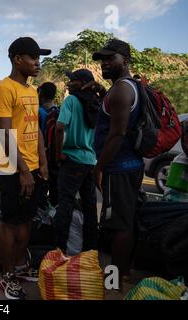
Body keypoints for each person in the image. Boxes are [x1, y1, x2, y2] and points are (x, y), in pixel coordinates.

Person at [0, 37, 50, 300]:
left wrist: (43, 162)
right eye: (33, 57)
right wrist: (24, 170)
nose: (38, 63)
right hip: (11, 167)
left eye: (39, 58)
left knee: (26, 219)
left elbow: (34, 127)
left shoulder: (32, 91)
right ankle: (7, 276)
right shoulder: (4, 89)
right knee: (9, 222)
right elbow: (3, 133)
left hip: (33, 166)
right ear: (18, 59)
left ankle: (19, 267)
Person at [91, 39, 144, 287]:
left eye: (111, 58)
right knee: (125, 220)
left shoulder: (122, 89)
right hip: (128, 165)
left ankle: (114, 280)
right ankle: (122, 272)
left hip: (118, 167)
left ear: (126, 60)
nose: (105, 63)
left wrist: (99, 167)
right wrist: (103, 94)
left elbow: (117, 134)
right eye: (103, 58)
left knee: (117, 225)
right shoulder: (125, 87)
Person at [53, 69, 99, 255]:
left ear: (81, 83)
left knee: (65, 203)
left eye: (72, 80)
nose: (69, 83)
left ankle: (60, 250)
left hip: (72, 160)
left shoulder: (71, 101)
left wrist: (58, 154)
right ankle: (90, 251)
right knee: (90, 207)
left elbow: (59, 127)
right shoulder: (96, 102)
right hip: (90, 161)